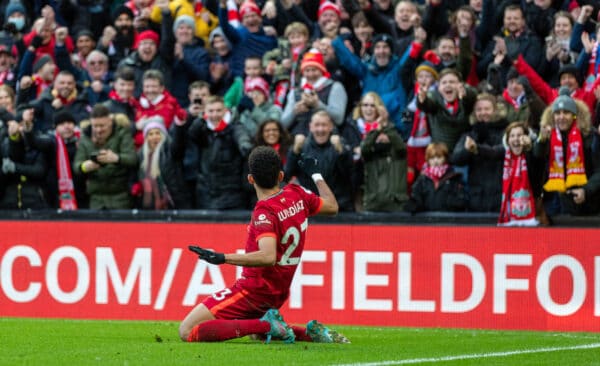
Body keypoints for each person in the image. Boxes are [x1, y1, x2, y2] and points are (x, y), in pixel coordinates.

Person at [180, 145, 349, 344]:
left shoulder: (265, 212)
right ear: (280, 175)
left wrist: (223, 258)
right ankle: (310, 333)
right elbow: (332, 207)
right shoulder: (297, 194)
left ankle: (268, 324)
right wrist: (316, 174)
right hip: (278, 292)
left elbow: (268, 257)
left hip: (254, 291)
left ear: (250, 179)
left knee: (187, 330)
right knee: (254, 332)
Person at [533, 87, 600, 216]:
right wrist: (541, 141)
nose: (561, 117)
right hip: (555, 204)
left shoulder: (589, 136)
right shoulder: (546, 136)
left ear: (574, 115)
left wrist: (585, 190)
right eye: (557, 113)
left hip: (590, 203)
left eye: (566, 112)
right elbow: (537, 158)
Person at [74, 104, 138, 210]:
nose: (98, 130)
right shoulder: (85, 138)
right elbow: (77, 165)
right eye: (95, 126)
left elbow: (132, 159)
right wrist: (85, 166)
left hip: (120, 196)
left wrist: (117, 158)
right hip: (96, 198)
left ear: (110, 121)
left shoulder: (122, 133)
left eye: (102, 126)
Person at [404, 142, 466, 213]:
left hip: (448, 220)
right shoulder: (422, 179)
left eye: (439, 157)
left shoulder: (454, 178)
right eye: (432, 158)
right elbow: (416, 198)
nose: (435, 161)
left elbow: (461, 201)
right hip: (427, 221)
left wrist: (451, 202)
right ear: (428, 159)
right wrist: (413, 205)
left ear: (445, 158)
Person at [498, 121, 540, 226]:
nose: (516, 139)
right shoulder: (504, 157)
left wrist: (529, 148)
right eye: (512, 136)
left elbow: (537, 160)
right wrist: (475, 148)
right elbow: (489, 151)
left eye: (519, 135)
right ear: (507, 141)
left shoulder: (533, 155)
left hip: (534, 212)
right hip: (509, 216)